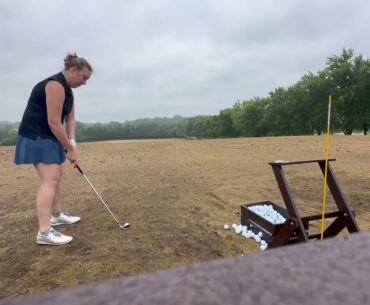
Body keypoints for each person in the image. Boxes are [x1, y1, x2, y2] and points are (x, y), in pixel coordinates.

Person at [14, 53, 93, 246]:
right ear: (73, 70)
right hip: (37, 135)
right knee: (50, 180)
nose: (85, 82)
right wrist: (70, 150)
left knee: (57, 176)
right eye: (84, 77)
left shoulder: (69, 90)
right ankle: (44, 231)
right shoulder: (55, 85)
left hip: (50, 136)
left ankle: (56, 215)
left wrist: (72, 142)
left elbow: (70, 119)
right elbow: (54, 122)